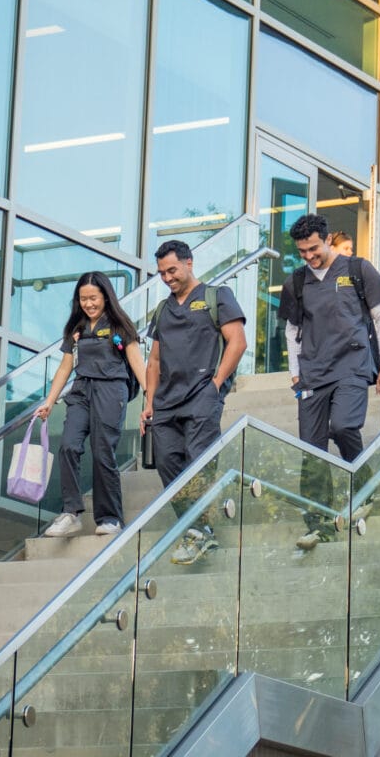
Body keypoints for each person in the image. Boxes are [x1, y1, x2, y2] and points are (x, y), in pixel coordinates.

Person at [279, 212, 380, 551]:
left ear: (328, 239)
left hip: (353, 363)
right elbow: (291, 331)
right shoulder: (297, 282)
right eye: (302, 251)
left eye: (314, 248)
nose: (309, 256)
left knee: (344, 426)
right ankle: (319, 523)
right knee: (311, 450)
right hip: (313, 372)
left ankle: (365, 485)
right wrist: (294, 373)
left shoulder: (357, 270)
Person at [141, 238, 247, 565]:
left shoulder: (217, 297)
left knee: (199, 461)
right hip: (165, 402)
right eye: (161, 273)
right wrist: (149, 402)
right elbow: (155, 361)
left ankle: (198, 532)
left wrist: (215, 385)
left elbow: (238, 342)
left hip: (202, 393)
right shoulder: (163, 310)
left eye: (172, 269)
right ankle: (199, 530)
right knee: (169, 465)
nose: (167, 277)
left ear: (189, 263)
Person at [35, 272, 146, 538]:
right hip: (82, 390)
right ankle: (71, 513)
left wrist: (151, 399)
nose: (89, 304)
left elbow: (137, 363)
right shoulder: (76, 329)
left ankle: (110, 517)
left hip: (111, 389)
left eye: (93, 298)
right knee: (69, 446)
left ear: (106, 297)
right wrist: (49, 401)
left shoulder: (120, 326)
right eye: (83, 299)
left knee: (102, 451)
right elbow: (65, 367)